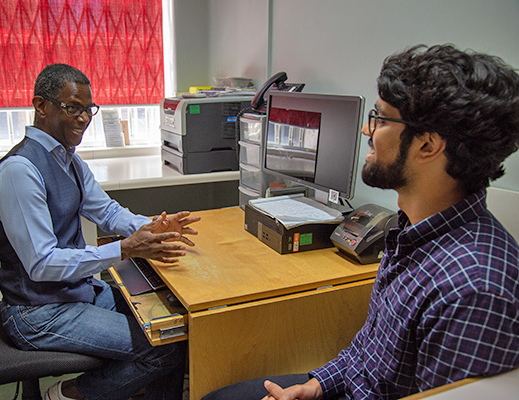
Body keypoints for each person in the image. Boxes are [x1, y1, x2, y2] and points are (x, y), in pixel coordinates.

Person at [202, 44, 519, 400]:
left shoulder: (473, 290)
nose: (368, 130)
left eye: (381, 119)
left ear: (428, 146)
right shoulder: (411, 231)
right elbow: (370, 353)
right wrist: (315, 386)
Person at [0, 63, 200, 400]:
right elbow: (42, 264)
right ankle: (69, 394)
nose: (83, 119)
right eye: (73, 108)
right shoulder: (19, 172)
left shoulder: (68, 160)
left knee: (172, 330)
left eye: (88, 109)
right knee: (161, 348)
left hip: (76, 292)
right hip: (37, 312)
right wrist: (125, 249)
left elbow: (106, 211)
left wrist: (151, 226)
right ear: (41, 105)